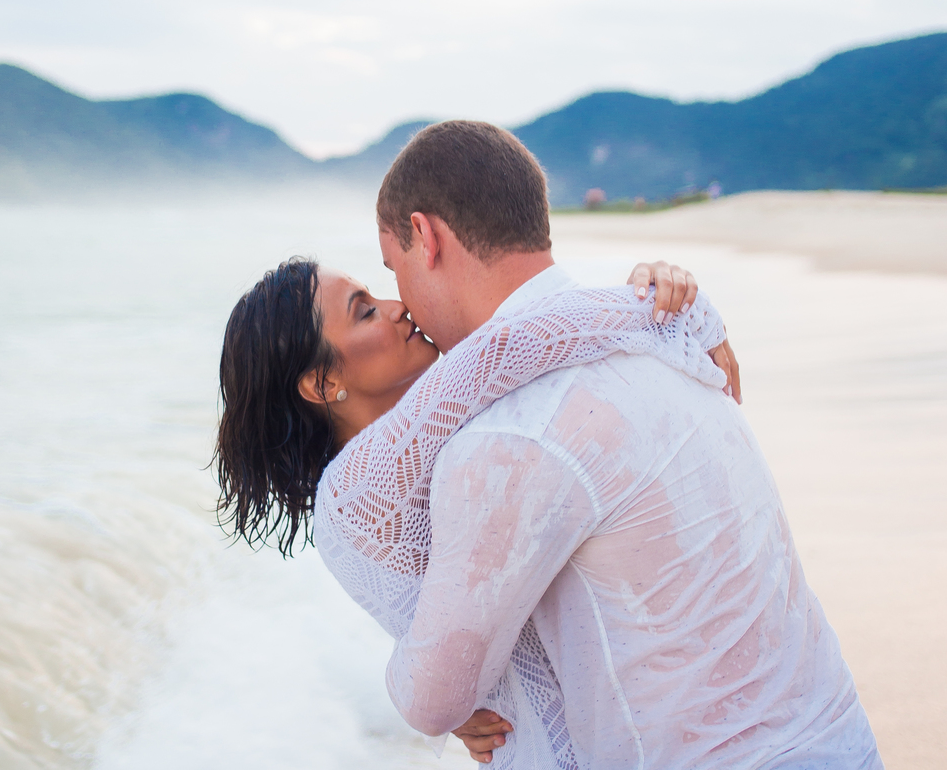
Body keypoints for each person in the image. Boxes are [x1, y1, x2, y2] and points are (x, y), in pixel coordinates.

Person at [215, 131, 739, 764]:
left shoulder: (434, 443)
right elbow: (504, 349)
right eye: (363, 311)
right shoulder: (357, 487)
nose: (396, 306)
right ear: (325, 382)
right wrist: (672, 310)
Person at [370, 122, 880, 768]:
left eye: (394, 268)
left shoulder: (508, 437)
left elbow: (431, 700)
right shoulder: (668, 337)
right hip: (843, 742)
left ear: (426, 235)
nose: (403, 305)